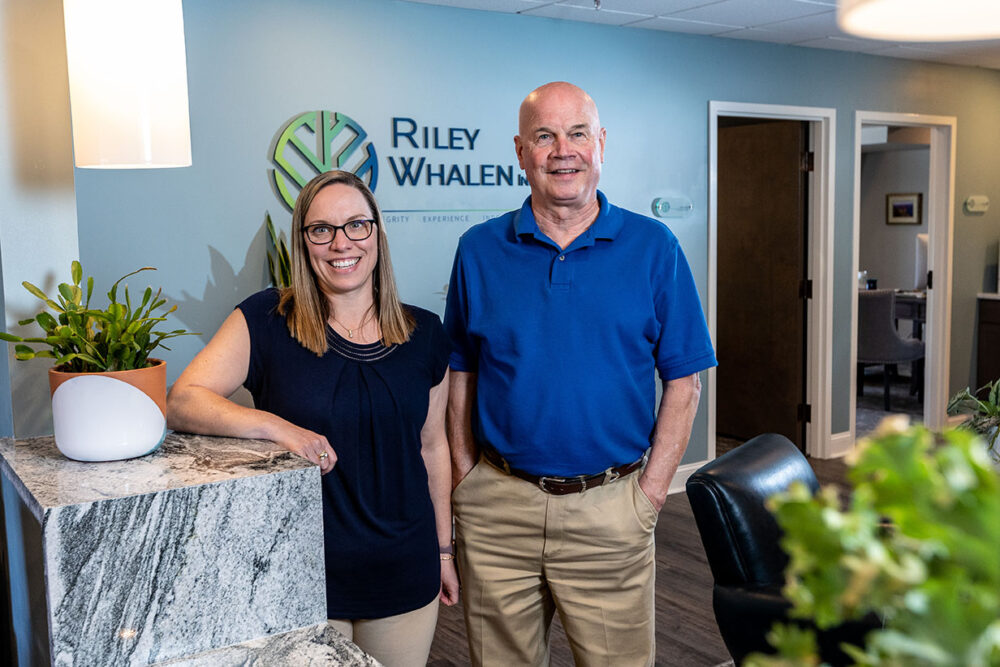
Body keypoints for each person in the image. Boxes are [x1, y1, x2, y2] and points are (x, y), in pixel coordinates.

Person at [444, 82, 717, 666]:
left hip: (610, 510)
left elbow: (685, 382)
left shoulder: (654, 247)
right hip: (497, 511)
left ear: (601, 145)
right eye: (544, 136)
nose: (562, 150)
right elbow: (461, 374)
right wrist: (467, 478)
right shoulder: (478, 250)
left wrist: (647, 498)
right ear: (521, 151)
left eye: (577, 134)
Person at [167, 170, 459, 667]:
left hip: (403, 570)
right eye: (321, 229)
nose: (340, 243)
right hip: (298, 571)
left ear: (377, 234)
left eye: (356, 226)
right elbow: (183, 399)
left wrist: (444, 551)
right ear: (303, 241)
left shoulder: (424, 333)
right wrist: (276, 427)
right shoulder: (267, 319)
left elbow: (432, 447)